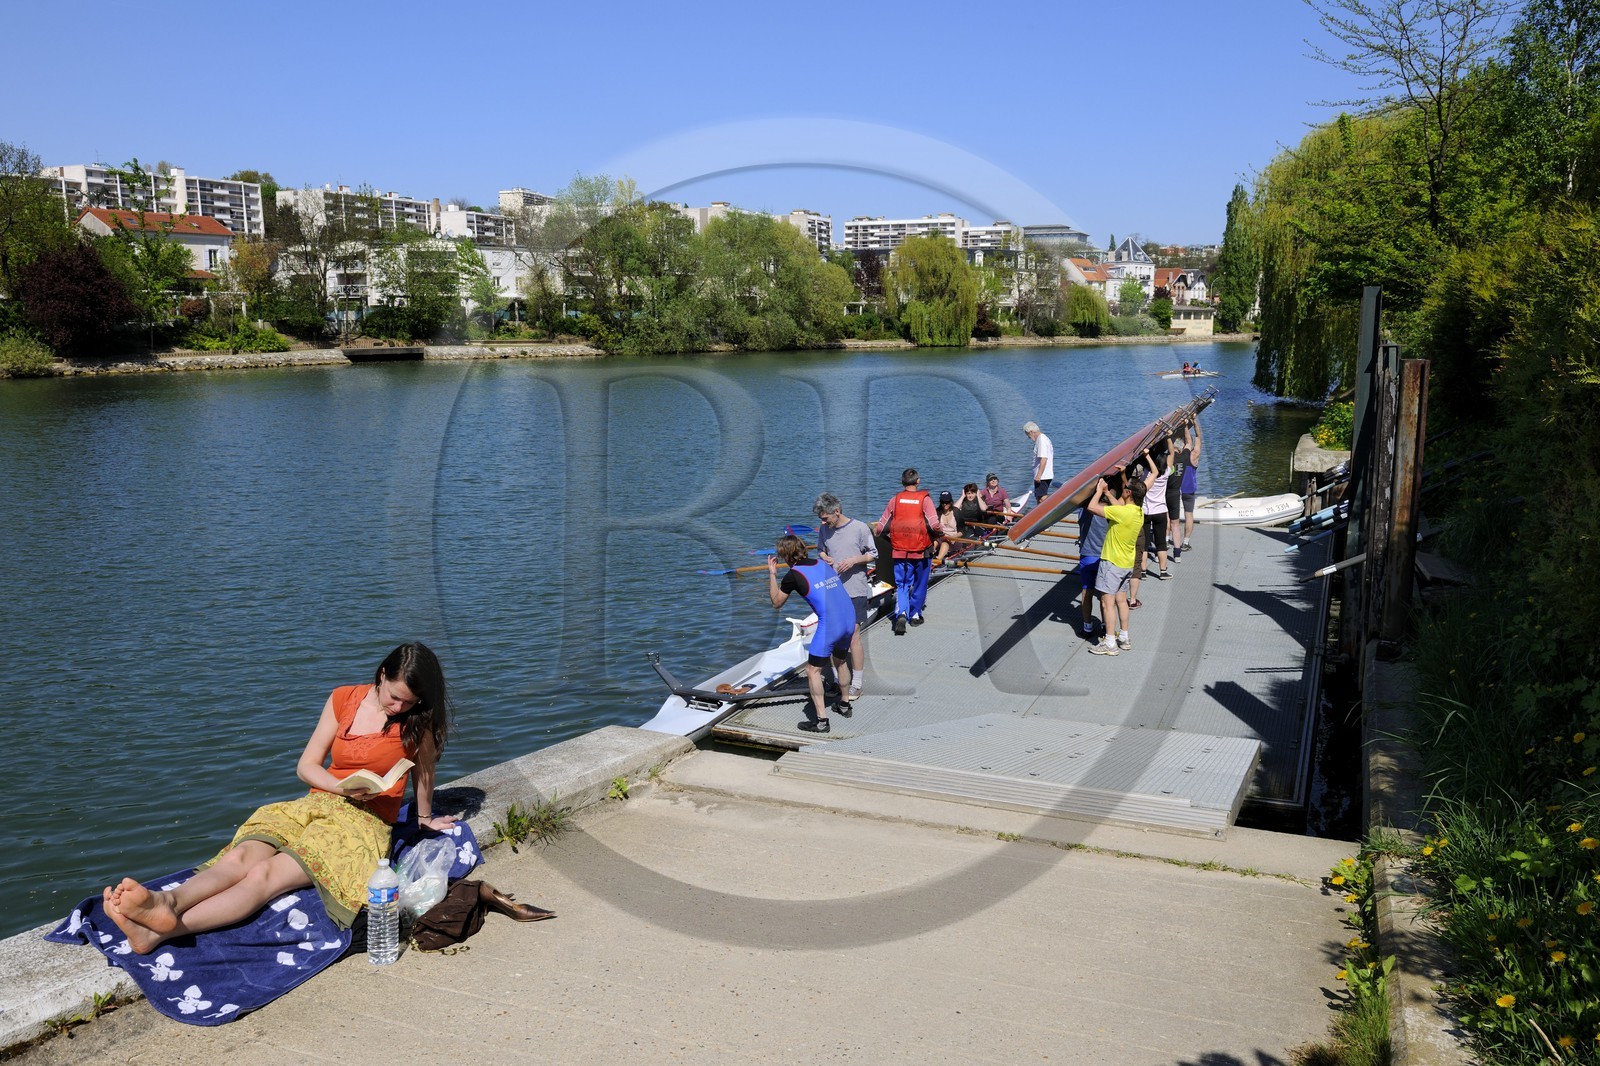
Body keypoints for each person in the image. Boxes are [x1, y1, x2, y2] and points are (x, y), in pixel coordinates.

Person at [102, 643, 457, 954]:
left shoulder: (417, 722)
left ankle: (161, 931)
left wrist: (423, 819)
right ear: (382, 674)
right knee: (241, 856)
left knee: (265, 874)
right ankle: (166, 902)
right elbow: (307, 766)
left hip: (361, 823)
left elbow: (422, 774)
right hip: (316, 803)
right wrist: (342, 787)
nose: (398, 706)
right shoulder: (342, 699)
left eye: (408, 701)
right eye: (393, 696)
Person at [768, 535, 856, 734]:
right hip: (848, 618)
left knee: (812, 671)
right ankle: (844, 704)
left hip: (831, 624)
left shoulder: (793, 575)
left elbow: (776, 602)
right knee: (840, 661)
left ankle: (821, 721)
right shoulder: (822, 563)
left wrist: (772, 574)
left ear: (785, 556)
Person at [813, 492, 875, 704]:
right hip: (833, 590)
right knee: (834, 636)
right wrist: (825, 557)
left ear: (837, 511)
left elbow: (873, 554)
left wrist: (854, 560)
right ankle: (840, 680)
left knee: (853, 636)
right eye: (821, 519)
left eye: (825, 518)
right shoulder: (824, 529)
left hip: (855, 590)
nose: (823, 522)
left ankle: (856, 683)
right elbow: (820, 550)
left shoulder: (860, 528)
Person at [873, 467, 942, 635]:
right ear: (918, 481)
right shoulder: (925, 500)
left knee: (902, 584)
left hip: (900, 551)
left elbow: (880, 528)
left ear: (902, 482)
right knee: (920, 583)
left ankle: (901, 612)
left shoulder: (895, 500)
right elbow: (934, 524)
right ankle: (916, 614)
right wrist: (941, 535)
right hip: (922, 551)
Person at [1085, 474, 1146, 656]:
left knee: (1107, 602)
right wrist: (1107, 493)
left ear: (1127, 492)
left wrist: (1098, 492)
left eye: (1125, 487)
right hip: (1126, 564)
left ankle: (1110, 643)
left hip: (1112, 563)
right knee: (1121, 601)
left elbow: (1092, 507)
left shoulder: (1122, 513)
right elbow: (1121, 507)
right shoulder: (1138, 512)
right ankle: (1124, 637)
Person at [1076, 483, 1112, 639]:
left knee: (1087, 592)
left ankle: (1087, 628)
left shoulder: (1082, 511)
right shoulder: (1109, 511)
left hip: (1087, 556)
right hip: (1105, 556)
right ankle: (1105, 627)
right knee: (1105, 595)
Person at [1142, 437, 1174, 582]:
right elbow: (1172, 453)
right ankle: (1163, 571)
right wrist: (1168, 437)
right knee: (1161, 543)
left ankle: (1142, 571)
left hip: (1146, 512)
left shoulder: (1147, 475)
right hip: (1160, 511)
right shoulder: (1167, 472)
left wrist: (1146, 455)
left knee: (1144, 544)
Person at [1169, 418, 1193, 560]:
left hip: (1165, 492)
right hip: (1175, 492)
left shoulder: (1168, 459)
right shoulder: (1184, 457)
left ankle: (1165, 540)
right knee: (1175, 524)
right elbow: (1189, 442)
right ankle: (1177, 555)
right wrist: (1185, 427)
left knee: (1165, 519)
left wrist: (1169, 436)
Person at [1180, 417, 1203, 550]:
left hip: (1175, 488)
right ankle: (1186, 543)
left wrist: (1184, 426)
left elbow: (1188, 440)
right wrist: (1194, 422)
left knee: (1173, 517)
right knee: (1189, 515)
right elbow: (1198, 436)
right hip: (1188, 490)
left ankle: (1166, 540)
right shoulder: (1194, 454)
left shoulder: (1176, 455)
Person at [1023, 421, 1055, 507]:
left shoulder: (1041, 440)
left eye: (1028, 435)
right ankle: (1041, 516)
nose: (1029, 438)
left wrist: (1039, 475)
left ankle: (1056, 502)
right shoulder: (1042, 439)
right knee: (1039, 498)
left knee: (1042, 498)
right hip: (1042, 475)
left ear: (1031, 432)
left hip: (1042, 475)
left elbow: (1044, 459)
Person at [932, 491, 961, 566]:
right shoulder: (938, 512)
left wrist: (952, 537)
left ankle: (937, 562)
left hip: (955, 539)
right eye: (942, 501)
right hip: (941, 537)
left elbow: (963, 531)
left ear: (951, 502)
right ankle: (929, 558)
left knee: (945, 543)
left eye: (947, 502)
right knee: (933, 542)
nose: (944, 504)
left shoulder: (956, 512)